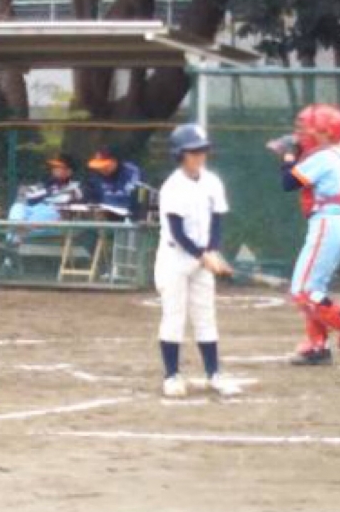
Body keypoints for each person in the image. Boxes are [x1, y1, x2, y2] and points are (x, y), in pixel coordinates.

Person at [270, 104, 340, 366]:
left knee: (303, 292)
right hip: (338, 221)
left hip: (328, 223)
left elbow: (288, 182)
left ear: (326, 132)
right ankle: (317, 348)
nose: (304, 134)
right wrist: (300, 154)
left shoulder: (325, 156)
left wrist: (288, 157)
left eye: (310, 129)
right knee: (314, 289)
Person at [155, 124, 240, 398]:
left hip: (202, 256)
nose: (199, 156)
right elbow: (177, 232)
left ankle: (214, 374)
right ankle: (171, 376)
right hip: (175, 258)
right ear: (180, 154)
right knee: (174, 316)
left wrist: (212, 250)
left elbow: (217, 220)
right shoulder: (172, 186)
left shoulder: (212, 181)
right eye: (193, 152)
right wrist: (203, 255)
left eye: (202, 151)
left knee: (205, 315)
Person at [8, 153, 82, 227]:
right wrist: (44, 191)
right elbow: (26, 192)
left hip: (53, 211)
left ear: (69, 172)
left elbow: (70, 199)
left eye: (59, 167)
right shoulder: (48, 183)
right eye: (54, 167)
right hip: (35, 208)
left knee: (47, 212)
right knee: (18, 206)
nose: (54, 170)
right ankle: (16, 229)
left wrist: (46, 192)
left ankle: (19, 231)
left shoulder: (75, 186)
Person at [84, 146, 141, 219]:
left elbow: (129, 195)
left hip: (130, 217)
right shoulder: (95, 175)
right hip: (104, 218)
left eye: (105, 166)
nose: (101, 169)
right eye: (99, 166)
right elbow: (89, 197)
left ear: (114, 162)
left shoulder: (131, 172)